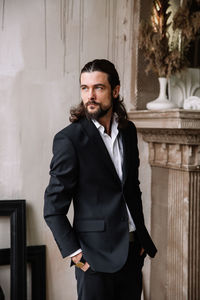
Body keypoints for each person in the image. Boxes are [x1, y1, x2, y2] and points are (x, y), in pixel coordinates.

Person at [44, 59, 157, 300]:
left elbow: (131, 188)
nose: (90, 95)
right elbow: (53, 207)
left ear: (115, 91)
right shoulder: (69, 140)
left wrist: (140, 236)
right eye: (85, 88)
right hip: (93, 260)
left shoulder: (129, 131)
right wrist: (76, 254)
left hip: (131, 254)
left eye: (98, 87)